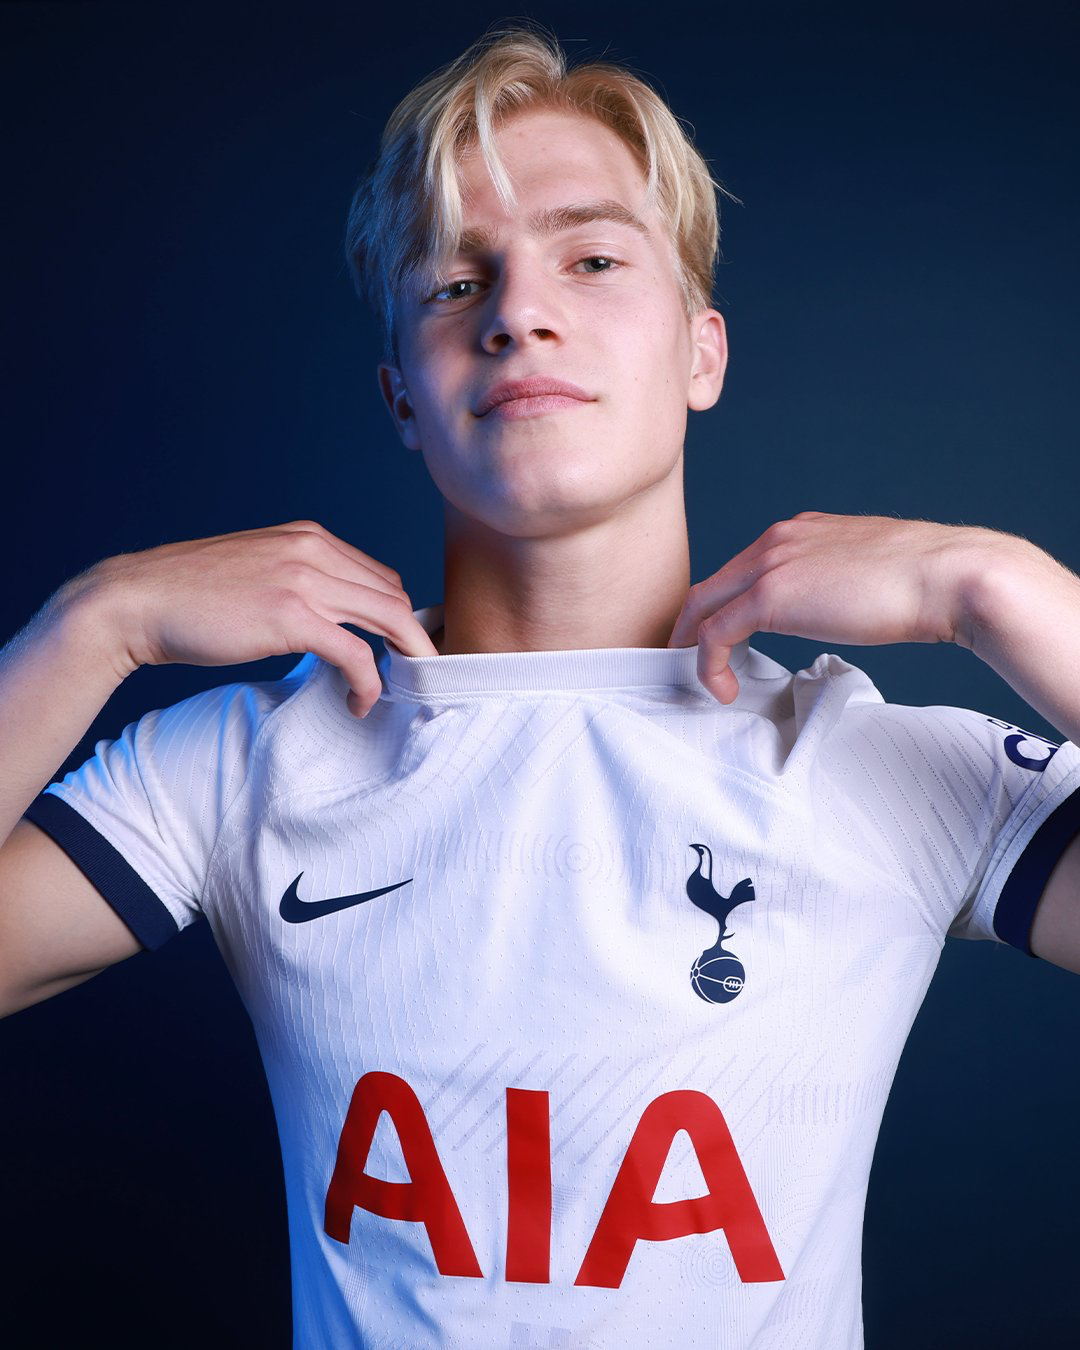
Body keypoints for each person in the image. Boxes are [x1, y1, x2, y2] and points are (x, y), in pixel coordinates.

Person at [2, 22, 1080, 1349]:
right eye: (457, 283)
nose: (518, 311)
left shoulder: (864, 761)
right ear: (403, 396)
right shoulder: (247, 762)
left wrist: (1005, 590)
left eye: (593, 258)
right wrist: (94, 623)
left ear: (702, 352)